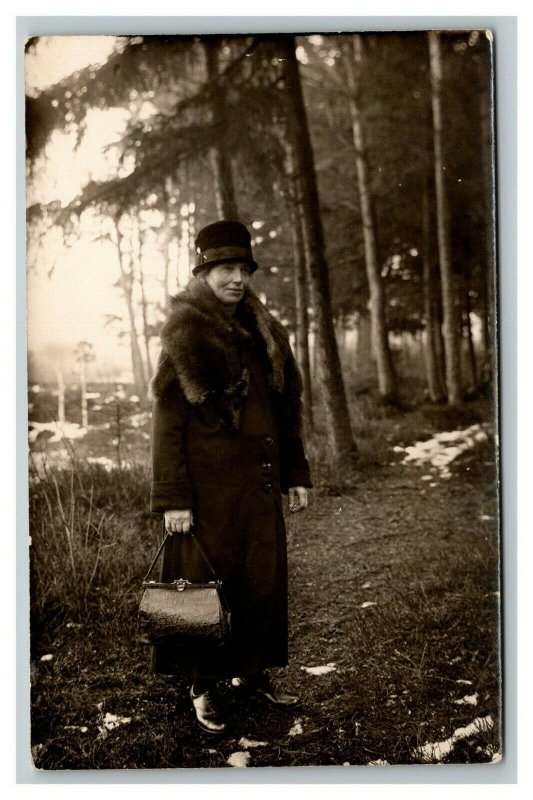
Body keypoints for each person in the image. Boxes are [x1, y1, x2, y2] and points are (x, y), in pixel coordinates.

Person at [150, 219, 312, 734]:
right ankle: (203, 686)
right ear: (203, 273)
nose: (237, 278)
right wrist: (174, 498)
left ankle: (253, 673)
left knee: (259, 586)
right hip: (208, 496)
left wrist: (296, 475)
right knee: (204, 591)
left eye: (243, 268)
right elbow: (168, 424)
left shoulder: (266, 333)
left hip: (259, 488)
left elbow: (285, 413)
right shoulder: (186, 334)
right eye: (225, 268)